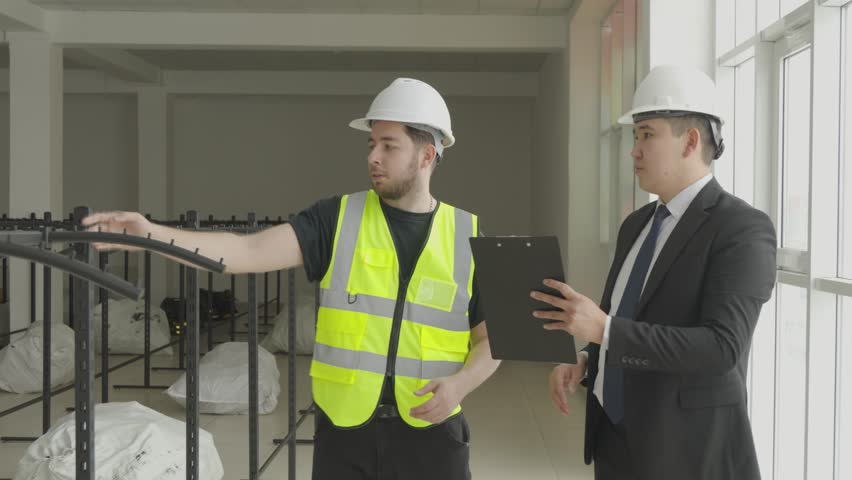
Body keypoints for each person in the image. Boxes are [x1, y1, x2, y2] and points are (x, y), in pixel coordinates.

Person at [83, 78, 501, 480]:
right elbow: (248, 251)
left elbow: (493, 339)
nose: (373, 156)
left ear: (427, 155)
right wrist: (154, 236)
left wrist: (461, 385)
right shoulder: (336, 219)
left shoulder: (468, 237)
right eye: (371, 144)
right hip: (345, 433)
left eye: (389, 146)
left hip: (432, 438)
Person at [532, 65, 776, 480]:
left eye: (647, 135)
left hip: (686, 453)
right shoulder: (637, 224)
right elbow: (627, 320)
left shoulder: (741, 228)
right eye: (635, 136)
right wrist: (587, 360)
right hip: (616, 440)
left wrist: (604, 331)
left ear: (691, 141)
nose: (634, 150)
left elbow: (721, 348)